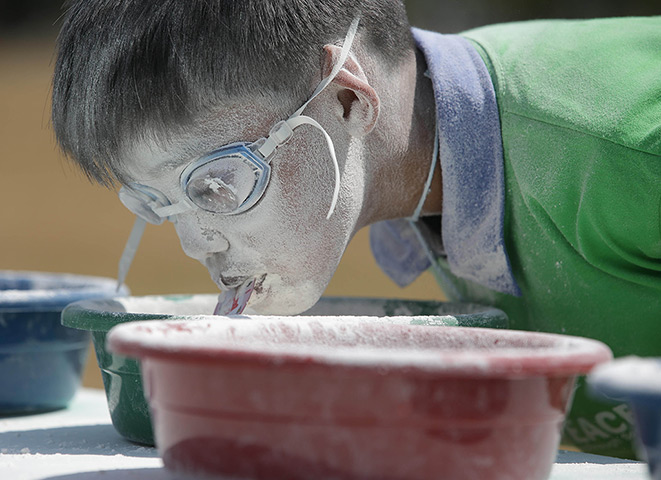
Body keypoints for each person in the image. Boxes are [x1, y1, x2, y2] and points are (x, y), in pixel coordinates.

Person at [51, 0, 660, 459]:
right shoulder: (419, 156)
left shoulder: (630, 156)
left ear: (346, 100)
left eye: (216, 186)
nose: (193, 244)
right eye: (155, 203)